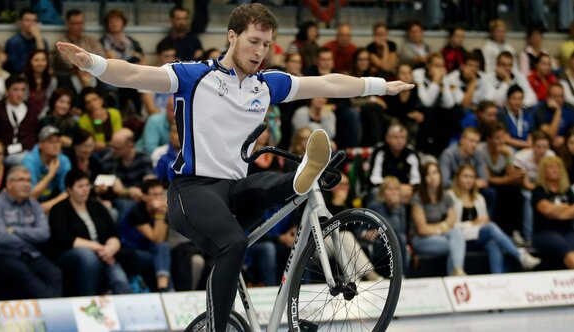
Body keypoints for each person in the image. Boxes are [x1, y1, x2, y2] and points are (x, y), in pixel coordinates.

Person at [56, 3, 412, 329]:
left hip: (235, 191)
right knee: (234, 244)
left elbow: (329, 83)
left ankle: (302, 178)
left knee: (269, 182)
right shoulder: (194, 76)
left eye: (267, 45)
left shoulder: (267, 84)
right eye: (253, 41)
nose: (260, 52)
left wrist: (379, 85)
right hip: (193, 190)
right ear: (232, 36)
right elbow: (134, 74)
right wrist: (94, 64)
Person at [49, 169, 133, 295]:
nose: (85, 189)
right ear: (69, 189)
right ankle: (88, 299)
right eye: (80, 186)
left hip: (104, 254)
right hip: (71, 255)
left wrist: (110, 248)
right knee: (87, 257)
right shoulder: (59, 209)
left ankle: (128, 309)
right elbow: (63, 238)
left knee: (119, 279)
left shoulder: (97, 206)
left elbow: (114, 232)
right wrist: (99, 249)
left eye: (87, 185)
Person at [0, 165, 62, 298]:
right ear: (9, 184)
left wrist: (15, 230)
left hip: (31, 254)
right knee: (22, 272)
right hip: (3, 254)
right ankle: (50, 309)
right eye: (21, 180)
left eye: (28, 180)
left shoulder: (34, 205)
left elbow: (44, 234)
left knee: (55, 273)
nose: (26, 184)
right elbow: (0, 237)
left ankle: (50, 308)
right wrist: (30, 237)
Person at [448, 164, 541, 274]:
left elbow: (483, 221)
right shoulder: (450, 196)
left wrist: (482, 222)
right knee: (491, 228)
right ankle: (521, 256)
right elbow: (451, 226)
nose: (469, 180)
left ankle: (497, 279)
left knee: (493, 244)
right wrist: (472, 223)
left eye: (472, 177)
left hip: (476, 237)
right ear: (458, 178)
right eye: (465, 176)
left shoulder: (479, 198)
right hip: (458, 239)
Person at [412, 162, 466, 276]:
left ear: (440, 175)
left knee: (457, 233)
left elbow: (452, 220)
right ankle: (456, 276)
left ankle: (457, 270)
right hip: (422, 240)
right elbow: (422, 229)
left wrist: (440, 228)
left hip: (441, 236)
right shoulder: (418, 198)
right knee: (456, 245)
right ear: (423, 178)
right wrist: (441, 228)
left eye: (435, 173)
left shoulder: (446, 196)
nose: (432, 177)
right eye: (428, 174)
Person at [119, 179, 173, 292]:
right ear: (144, 196)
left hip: (150, 249)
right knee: (160, 259)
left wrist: (161, 214)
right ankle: (167, 291)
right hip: (131, 250)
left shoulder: (163, 211)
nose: (158, 198)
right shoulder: (137, 211)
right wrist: (159, 215)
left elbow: (161, 241)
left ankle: (163, 288)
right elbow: (155, 238)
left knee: (163, 249)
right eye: (154, 195)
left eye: (160, 194)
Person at [0, 75, 40, 165]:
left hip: (27, 151)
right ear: (7, 91)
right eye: (15, 90)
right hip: (3, 153)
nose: (20, 94)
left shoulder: (31, 109)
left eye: (22, 90)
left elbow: (33, 135)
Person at [532, 156, 574, 269]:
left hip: (566, 230)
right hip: (544, 232)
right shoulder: (539, 191)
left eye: (557, 167)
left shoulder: (567, 190)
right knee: (563, 246)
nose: (555, 170)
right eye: (551, 167)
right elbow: (546, 210)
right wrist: (565, 207)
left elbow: (572, 211)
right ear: (544, 171)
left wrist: (555, 211)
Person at [22, 125, 71, 213]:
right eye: (51, 142)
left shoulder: (64, 161)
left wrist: (51, 204)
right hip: (29, 204)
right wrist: (51, 174)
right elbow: (30, 196)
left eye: (58, 141)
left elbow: (69, 191)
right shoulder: (29, 161)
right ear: (41, 145)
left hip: (53, 202)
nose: (56, 146)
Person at [53, 9, 105, 75]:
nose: (80, 26)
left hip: (95, 74)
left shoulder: (92, 41)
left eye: (81, 23)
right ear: (68, 24)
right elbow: (69, 64)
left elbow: (102, 58)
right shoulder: (62, 43)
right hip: (73, 75)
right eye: (76, 23)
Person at [4, 8, 48, 74]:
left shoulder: (41, 41)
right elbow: (15, 67)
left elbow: (45, 63)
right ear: (19, 22)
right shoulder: (13, 42)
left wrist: (38, 39)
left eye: (34, 21)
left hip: (39, 76)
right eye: (28, 20)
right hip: (20, 77)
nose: (32, 24)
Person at [77, 87, 122, 151]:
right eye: (88, 102)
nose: (92, 104)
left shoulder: (114, 113)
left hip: (116, 149)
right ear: (86, 106)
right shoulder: (83, 121)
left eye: (94, 100)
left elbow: (118, 139)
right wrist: (97, 121)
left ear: (101, 100)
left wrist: (106, 145)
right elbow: (98, 144)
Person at [24, 50, 57, 115]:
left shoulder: (52, 81)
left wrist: (42, 116)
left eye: (43, 60)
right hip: (25, 114)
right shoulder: (23, 79)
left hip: (44, 115)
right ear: (30, 62)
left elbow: (50, 102)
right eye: (36, 60)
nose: (40, 63)